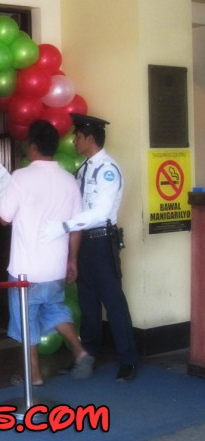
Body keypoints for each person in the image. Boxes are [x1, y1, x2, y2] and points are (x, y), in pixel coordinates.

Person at [0, 120, 95, 386]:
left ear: (34, 147)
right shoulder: (68, 180)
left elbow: (4, 217)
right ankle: (80, 350)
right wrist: (72, 260)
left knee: (26, 321)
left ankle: (34, 375)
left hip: (26, 270)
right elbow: (77, 226)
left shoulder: (21, 177)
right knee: (56, 310)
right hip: (55, 267)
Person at [42, 113, 138, 382]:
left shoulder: (108, 169)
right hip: (82, 242)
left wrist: (64, 226)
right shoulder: (83, 169)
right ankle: (88, 356)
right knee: (87, 303)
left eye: (78, 136)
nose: (73, 140)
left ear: (90, 138)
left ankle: (128, 360)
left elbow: (101, 211)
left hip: (100, 241)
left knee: (113, 301)